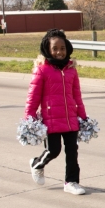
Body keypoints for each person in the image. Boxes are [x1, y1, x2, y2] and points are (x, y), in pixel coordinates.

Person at [24, 28, 88, 195]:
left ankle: (71, 182)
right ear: (47, 49)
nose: (59, 52)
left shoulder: (71, 70)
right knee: (54, 151)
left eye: (62, 48)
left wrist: (83, 116)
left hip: (70, 119)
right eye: (55, 48)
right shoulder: (42, 70)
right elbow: (33, 97)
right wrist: (29, 118)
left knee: (72, 152)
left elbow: (77, 96)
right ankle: (37, 164)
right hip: (51, 119)